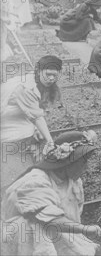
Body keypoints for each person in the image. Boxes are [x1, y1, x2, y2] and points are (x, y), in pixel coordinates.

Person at [2, 130, 101, 255]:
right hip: (19, 241)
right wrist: (84, 230)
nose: (86, 167)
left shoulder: (73, 183)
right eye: (83, 161)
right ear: (67, 161)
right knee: (34, 225)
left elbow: (71, 220)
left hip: (54, 235)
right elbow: (49, 220)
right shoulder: (35, 181)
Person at [1, 55, 62, 189]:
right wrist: (50, 140)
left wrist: (37, 129)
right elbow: (36, 117)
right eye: (48, 74)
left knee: (34, 132)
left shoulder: (36, 82)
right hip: (6, 124)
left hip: (16, 116)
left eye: (55, 75)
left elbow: (36, 109)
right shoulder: (25, 87)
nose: (51, 78)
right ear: (38, 71)